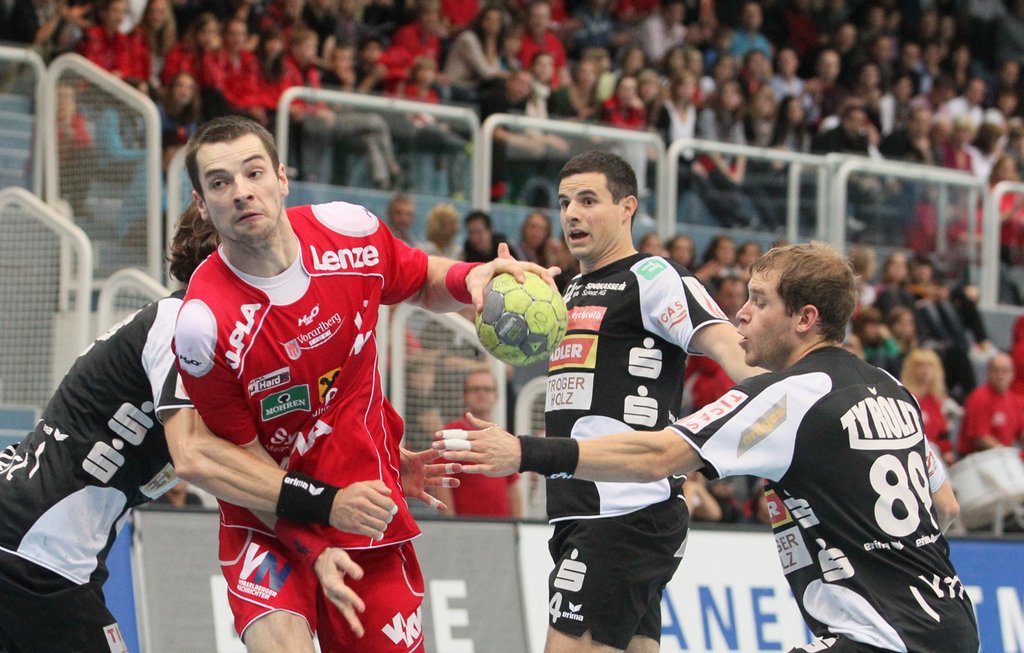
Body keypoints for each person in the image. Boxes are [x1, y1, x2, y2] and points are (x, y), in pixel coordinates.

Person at [438, 241, 980, 653]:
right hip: (954, 624)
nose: (740, 313)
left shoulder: (786, 397)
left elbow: (657, 457)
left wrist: (524, 453)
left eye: (758, 301)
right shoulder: (893, 387)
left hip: (876, 637)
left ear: (805, 319)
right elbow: (946, 505)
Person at [173, 116, 553, 652]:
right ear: (201, 202)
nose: (240, 192)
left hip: (368, 513)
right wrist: (310, 542)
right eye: (219, 182)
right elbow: (241, 462)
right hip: (270, 526)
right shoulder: (204, 324)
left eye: (253, 172)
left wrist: (468, 276)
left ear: (281, 178)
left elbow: (418, 278)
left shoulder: (347, 233)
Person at [0, 205, 381, 652]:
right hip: (34, 549)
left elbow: (251, 479)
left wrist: (382, 461)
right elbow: (196, 457)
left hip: (40, 549)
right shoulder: (182, 323)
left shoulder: (218, 351)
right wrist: (328, 503)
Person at [448, 150, 761, 653]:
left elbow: (732, 350)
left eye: (588, 200)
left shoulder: (653, 277)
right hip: (582, 511)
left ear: (627, 207)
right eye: (564, 203)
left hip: (624, 510)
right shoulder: (568, 291)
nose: (572, 214)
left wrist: (792, 391)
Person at [432, 369, 522, 518]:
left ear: (496, 395)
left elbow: (512, 484)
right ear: (465, 396)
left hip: (502, 525)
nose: (482, 394)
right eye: (475, 389)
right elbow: (441, 480)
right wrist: (450, 522)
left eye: (487, 389)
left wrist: (517, 522)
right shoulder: (450, 433)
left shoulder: (503, 436)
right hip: (465, 525)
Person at [958, 352, 1024, 457]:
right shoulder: (979, 397)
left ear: (1013, 374)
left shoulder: (1014, 400)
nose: (1000, 375)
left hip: (1002, 456)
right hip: (978, 458)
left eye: (1005, 371)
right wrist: (1004, 451)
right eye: (996, 371)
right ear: (988, 373)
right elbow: (980, 438)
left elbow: (1021, 432)